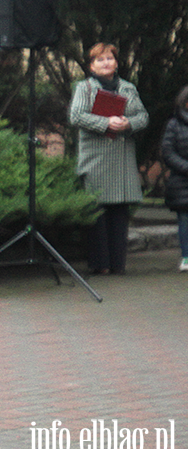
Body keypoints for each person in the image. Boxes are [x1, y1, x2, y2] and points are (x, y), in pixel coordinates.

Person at [69, 42, 148, 275]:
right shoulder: (85, 88)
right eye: (100, 60)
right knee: (98, 212)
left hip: (121, 158)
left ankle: (117, 264)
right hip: (96, 159)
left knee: (119, 213)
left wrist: (128, 123)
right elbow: (76, 116)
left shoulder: (128, 88)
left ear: (116, 62)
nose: (106, 63)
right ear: (92, 66)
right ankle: (99, 264)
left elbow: (143, 116)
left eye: (110, 58)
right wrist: (106, 123)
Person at [160, 85, 188, 271]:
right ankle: (186, 256)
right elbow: (168, 152)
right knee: (185, 221)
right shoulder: (174, 124)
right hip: (182, 183)